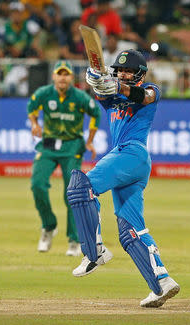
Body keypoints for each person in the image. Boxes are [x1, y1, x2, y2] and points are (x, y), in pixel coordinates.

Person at [66, 49, 180, 308]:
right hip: (132, 163)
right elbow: (104, 93)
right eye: (120, 70)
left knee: (81, 187)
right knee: (130, 230)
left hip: (132, 153)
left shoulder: (151, 90)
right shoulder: (112, 96)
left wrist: (115, 83)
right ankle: (162, 282)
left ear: (139, 74)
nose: (124, 73)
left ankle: (94, 252)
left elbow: (143, 96)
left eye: (129, 71)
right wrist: (95, 78)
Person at [27, 60, 101, 256]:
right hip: (49, 144)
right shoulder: (44, 93)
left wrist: (90, 141)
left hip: (72, 146)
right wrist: (34, 123)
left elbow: (95, 114)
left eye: (66, 74)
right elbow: (31, 108)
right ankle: (48, 226)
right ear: (54, 77)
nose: (62, 77)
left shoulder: (79, 97)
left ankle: (75, 240)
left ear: (71, 77)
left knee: (72, 192)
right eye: (59, 74)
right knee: (37, 184)